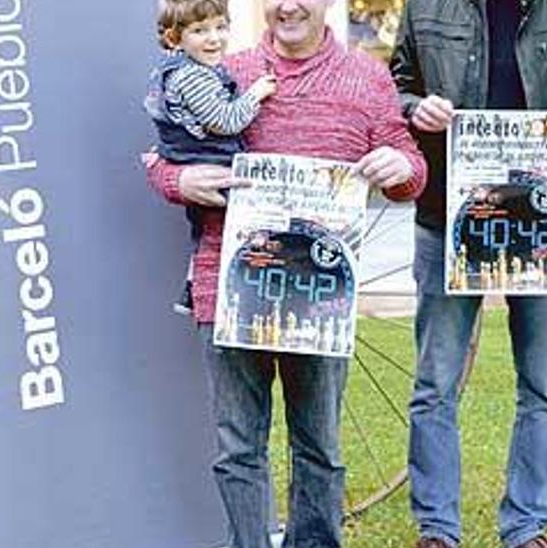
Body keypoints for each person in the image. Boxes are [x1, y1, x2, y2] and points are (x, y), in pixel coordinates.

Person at [146, 1, 426, 546]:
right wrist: (179, 183)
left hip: (319, 296)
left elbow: (409, 165)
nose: (288, 4)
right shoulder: (222, 69)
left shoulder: (366, 78)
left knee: (319, 446)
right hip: (229, 288)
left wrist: (401, 168)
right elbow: (160, 158)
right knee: (237, 447)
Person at [389, 0, 547, 547]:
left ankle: (527, 525)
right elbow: (395, 86)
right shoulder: (425, 5)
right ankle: (437, 530)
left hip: (545, 217)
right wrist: (414, 108)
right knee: (435, 382)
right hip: (449, 211)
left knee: (544, 384)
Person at [145, 0, 277, 314]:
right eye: (199, 30)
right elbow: (226, 121)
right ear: (175, 38)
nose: (214, 38)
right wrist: (255, 94)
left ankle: (190, 291)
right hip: (212, 161)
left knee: (203, 232)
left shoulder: (177, 70)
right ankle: (260, 281)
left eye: (220, 27)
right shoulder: (193, 76)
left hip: (191, 157)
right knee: (257, 217)